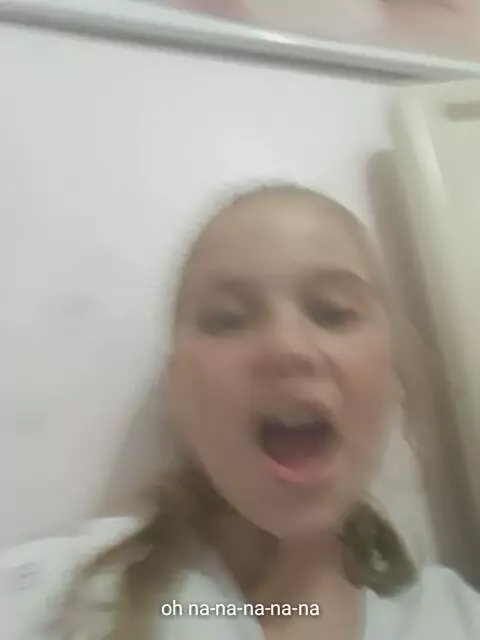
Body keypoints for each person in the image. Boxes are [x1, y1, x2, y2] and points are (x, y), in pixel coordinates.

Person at [3, 183, 480, 640]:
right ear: (178, 393)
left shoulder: (459, 621)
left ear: (394, 372)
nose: (287, 347)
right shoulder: (50, 601)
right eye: (228, 319)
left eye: (332, 312)